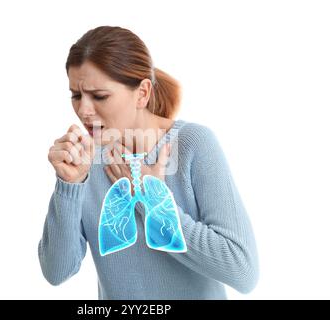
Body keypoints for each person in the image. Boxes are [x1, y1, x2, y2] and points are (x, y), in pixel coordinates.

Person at [38, 26, 259, 299]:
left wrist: (150, 198)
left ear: (142, 93)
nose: (83, 110)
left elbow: (243, 270)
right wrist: (69, 186)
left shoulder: (193, 145)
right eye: (76, 95)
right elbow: (57, 271)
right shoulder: (86, 162)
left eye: (99, 96)